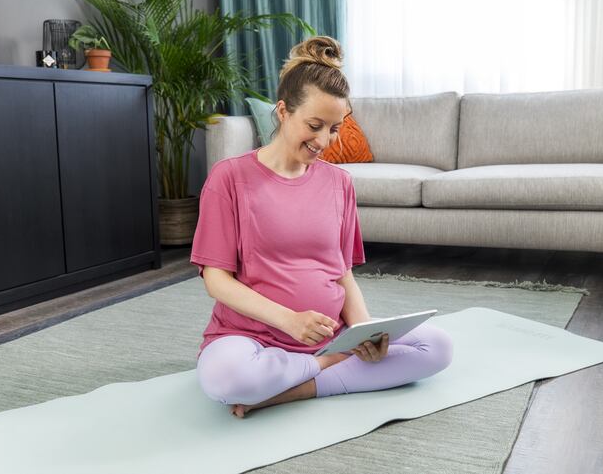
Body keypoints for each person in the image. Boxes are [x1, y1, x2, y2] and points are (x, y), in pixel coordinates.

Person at [191, 35, 453, 418]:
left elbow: (341, 272)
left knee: (438, 347)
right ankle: (327, 369)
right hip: (253, 338)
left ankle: (296, 388)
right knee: (225, 379)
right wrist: (289, 320)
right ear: (282, 111)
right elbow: (216, 280)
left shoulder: (339, 183)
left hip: (333, 338)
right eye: (314, 125)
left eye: (334, 129)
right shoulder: (229, 178)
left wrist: (363, 332)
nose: (324, 141)